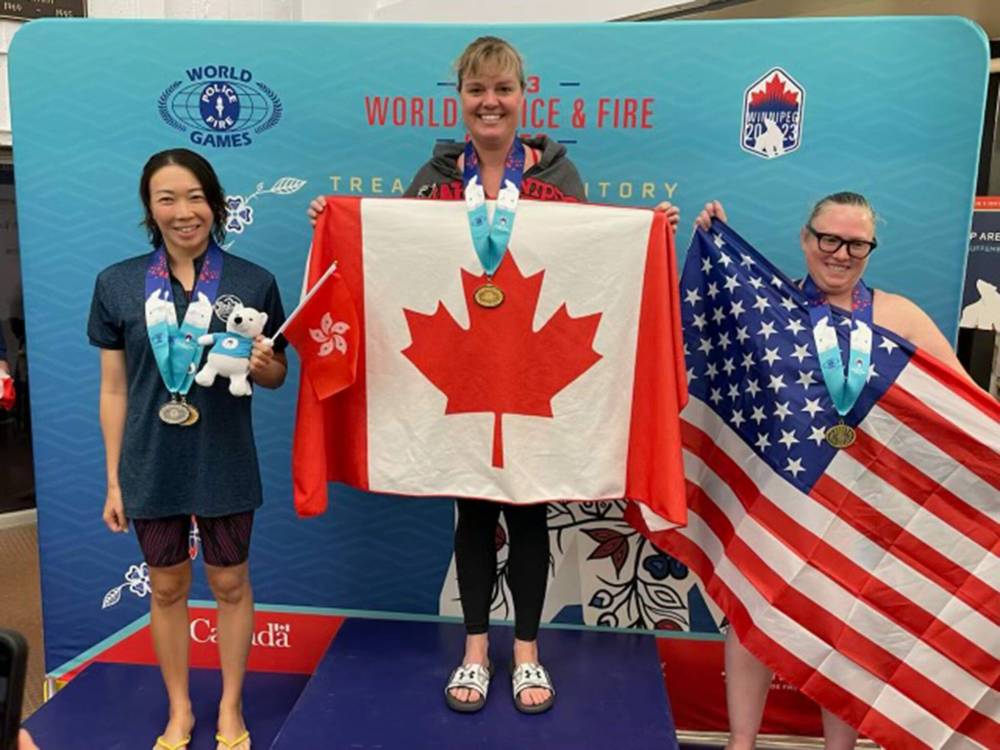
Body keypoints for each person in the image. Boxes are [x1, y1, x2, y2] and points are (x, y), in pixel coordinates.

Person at [309, 36, 679, 715]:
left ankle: (528, 652)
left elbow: (590, 269)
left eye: (502, 89)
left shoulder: (559, 179)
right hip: (459, 373)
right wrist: (338, 228)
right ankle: (477, 652)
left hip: (534, 372)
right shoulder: (432, 183)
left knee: (530, 511)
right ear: (460, 100)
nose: (490, 102)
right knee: (473, 510)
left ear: (522, 97)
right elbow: (395, 264)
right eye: (477, 90)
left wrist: (645, 237)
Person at [695, 193, 974, 750]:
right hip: (779, 496)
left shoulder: (898, 315)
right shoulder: (770, 308)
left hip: (859, 510)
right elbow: (709, 334)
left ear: (870, 249)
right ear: (805, 239)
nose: (841, 254)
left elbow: (961, 401)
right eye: (830, 239)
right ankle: (740, 744)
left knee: (844, 637)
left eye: (857, 244)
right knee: (751, 618)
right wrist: (715, 240)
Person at [89, 148, 287, 750]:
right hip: (150, 465)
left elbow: (275, 375)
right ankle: (180, 710)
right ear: (150, 209)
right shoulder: (118, 283)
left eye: (195, 196)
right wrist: (115, 481)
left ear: (216, 202)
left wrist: (267, 362)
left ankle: (229, 707)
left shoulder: (253, 281)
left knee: (231, 585)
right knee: (167, 586)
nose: (183, 212)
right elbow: (114, 387)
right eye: (167, 199)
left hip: (223, 460)